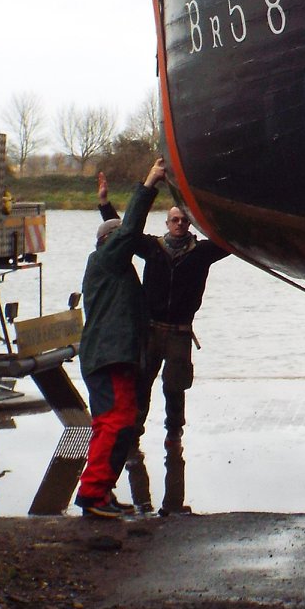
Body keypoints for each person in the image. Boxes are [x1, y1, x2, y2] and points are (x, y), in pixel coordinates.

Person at [98, 171, 231, 453]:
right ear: (167, 223)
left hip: (180, 334)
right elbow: (125, 232)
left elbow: (231, 241)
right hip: (151, 329)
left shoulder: (202, 252)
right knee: (141, 384)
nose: (180, 224)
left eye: (184, 220)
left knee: (174, 387)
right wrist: (105, 206)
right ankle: (134, 435)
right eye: (175, 220)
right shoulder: (152, 247)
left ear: (190, 223)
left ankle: (174, 435)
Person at [75, 157, 167, 519]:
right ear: (108, 243)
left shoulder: (114, 266)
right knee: (115, 424)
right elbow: (127, 231)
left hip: (113, 356)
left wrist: (103, 205)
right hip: (108, 357)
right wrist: (149, 183)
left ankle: (102, 492)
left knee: (121, 424)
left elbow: (122, 232)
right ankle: (92, 495)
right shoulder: (107, 261)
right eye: (119, 241)